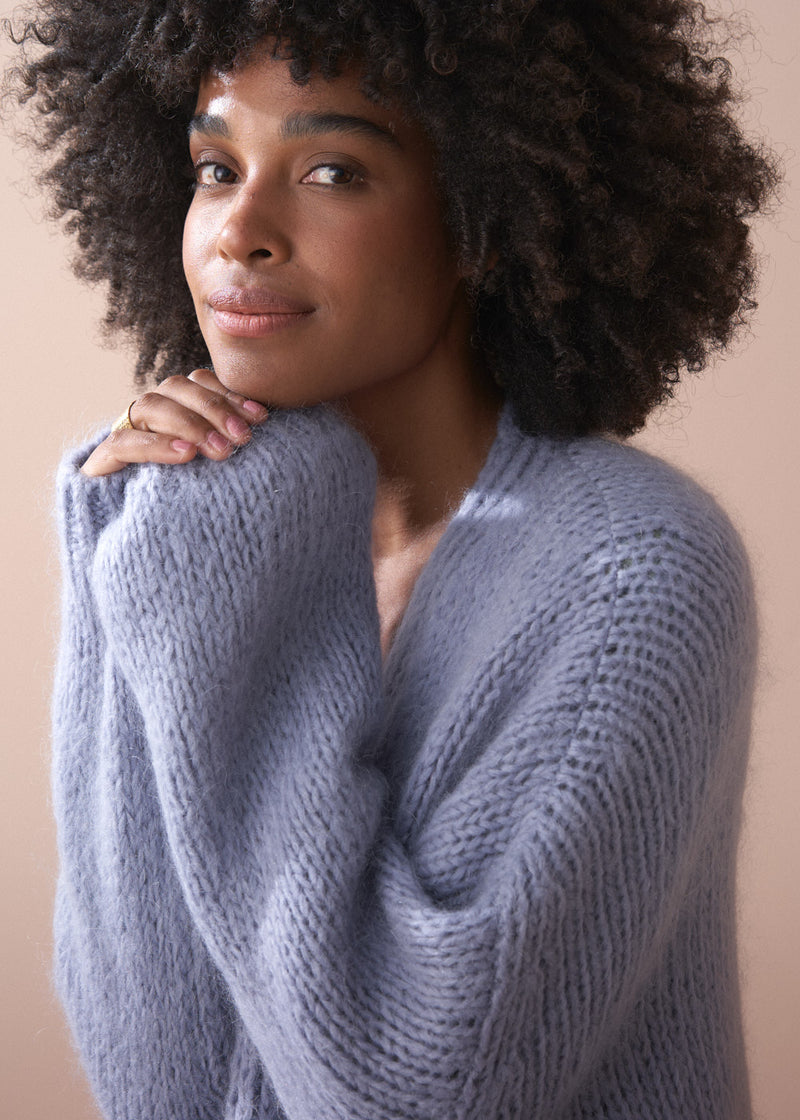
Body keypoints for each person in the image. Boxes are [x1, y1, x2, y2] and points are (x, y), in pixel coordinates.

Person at [9, 1, 778, 1117]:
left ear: (477, 220)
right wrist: (129, 551)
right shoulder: (192, 531)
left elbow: (418, 1090)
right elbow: (159, 1075)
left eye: (331, 172)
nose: (240, 231)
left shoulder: (636, 575)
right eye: (216, 168)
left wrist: (201, 594)